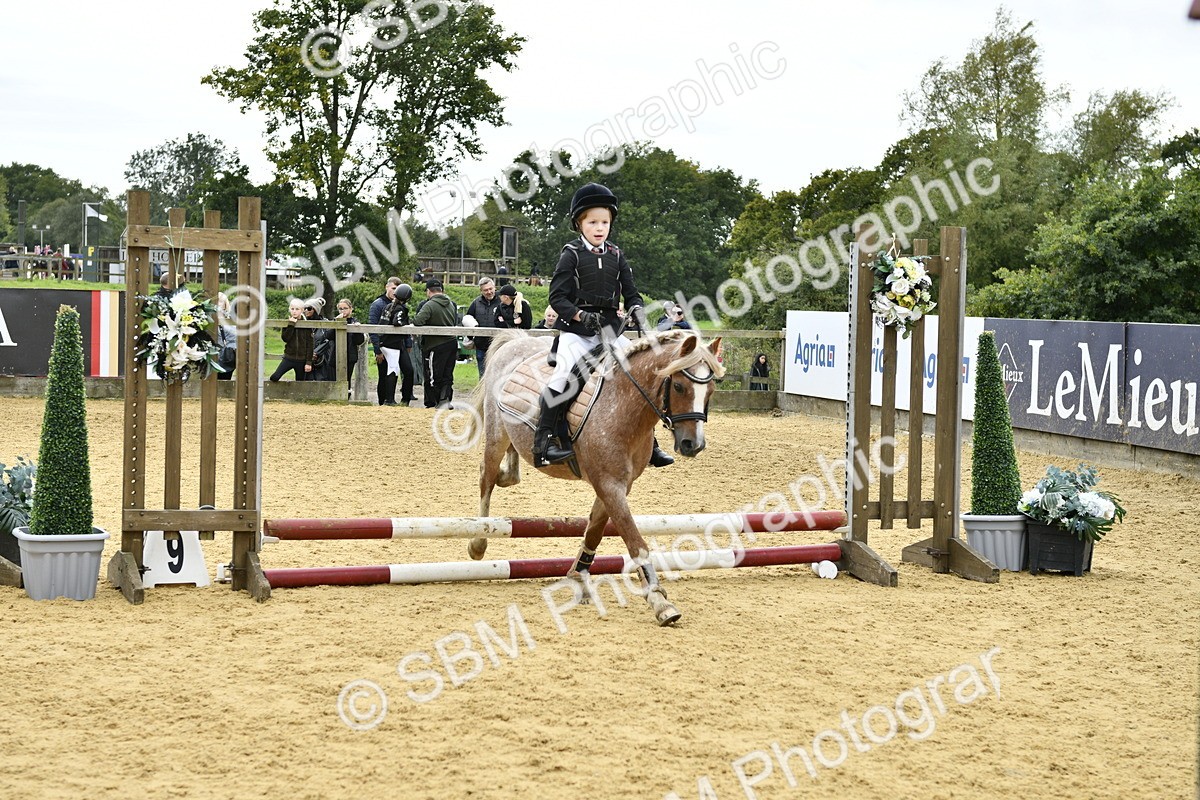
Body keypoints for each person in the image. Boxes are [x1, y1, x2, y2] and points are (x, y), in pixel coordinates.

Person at [533, 182, 673, 469]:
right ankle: (544, 443)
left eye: (605, 222)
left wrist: (635, 307)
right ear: (579, 223)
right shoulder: (570, 254)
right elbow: (557, 298)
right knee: (563, 378)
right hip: (577, 331)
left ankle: (651, 444)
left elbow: (632, 292)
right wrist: (580, 316)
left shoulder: (616, 255)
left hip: (611, 330)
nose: (600, 228)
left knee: (640, 376)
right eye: (593, 222)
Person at [413, 279, 459, 408]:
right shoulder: (451, 304)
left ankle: (434, 401)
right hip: (451, 343)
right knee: (448, 374)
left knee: (434, 375)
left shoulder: (429, 305)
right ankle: (446, 399)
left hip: (435, 345)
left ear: (428, 291)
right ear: (441, 290)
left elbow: (418, 321)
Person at [369, 278, 403, 405]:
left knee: (399, 371)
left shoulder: (400, 305)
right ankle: (382, 401)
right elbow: (373, 327)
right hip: (384, 345)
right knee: (383, 374)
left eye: (397, 289)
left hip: (397, 345)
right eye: (393, 288)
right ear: (387, 287)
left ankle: (395, 398)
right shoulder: (377, 304)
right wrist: (377, 349)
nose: (395, 292)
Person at [382, 283, 416, 405]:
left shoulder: (388, 306)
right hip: (393, 343)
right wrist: (407, 326)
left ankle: (400, 399)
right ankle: (389, 400)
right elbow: (398, 321)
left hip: (389, 342)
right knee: (393, 369)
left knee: (405, 369)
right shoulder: (399, 308)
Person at [269, 298, 314, 381]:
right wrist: (291, 325)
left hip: (301, 360)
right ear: (289, 309)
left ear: (302, 310)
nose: (294, 311)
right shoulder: (287, 323)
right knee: (274, 377)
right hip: (289, 357)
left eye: (297, 309)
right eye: (292, 309)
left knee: (300, 383)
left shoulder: (307, 325)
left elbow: (310, 344)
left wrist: (308, 362)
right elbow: (285, 338)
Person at [465, 277, 500, 377]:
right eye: (485, 290)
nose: (489, 292)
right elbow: (468, 319)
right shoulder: (476, 303)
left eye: (490, 289)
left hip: (498, 345)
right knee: (483, 375)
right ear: (481, 291)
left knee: (498, 375)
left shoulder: (502, 301)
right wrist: (470, 338)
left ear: (494, 288)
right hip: (481, 346)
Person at [334, 298, 366, 393]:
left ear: (351, 309)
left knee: (347, 380)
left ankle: (346, 399)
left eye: (345, 308)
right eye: (340, 309)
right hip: (335, 356)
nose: (343, 311)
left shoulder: (354, 322)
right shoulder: (335, 320)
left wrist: (357, 330)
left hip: (350, 356)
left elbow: (359, 341)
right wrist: (337, 322)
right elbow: (329, 336)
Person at [215, 292, 237, 381]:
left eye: (220, 301)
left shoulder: (231, 319)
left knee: (225, 381)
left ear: (225, 304)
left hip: (226, 357)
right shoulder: (206, 318)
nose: (218, 304)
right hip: (213, 357)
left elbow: (234, 338)